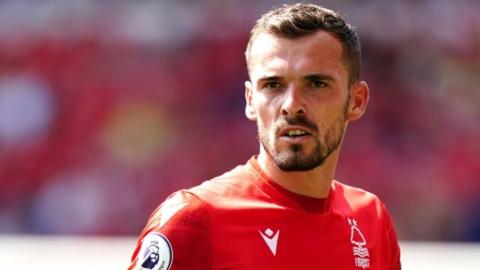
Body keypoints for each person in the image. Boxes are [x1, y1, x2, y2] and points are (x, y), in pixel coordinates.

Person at [128, 3, 401, 270]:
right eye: (273, 85)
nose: (291, 104)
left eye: (316, 84)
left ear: (356, 101)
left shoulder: (371, 220)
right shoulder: (194, 218)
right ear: (250, 100)